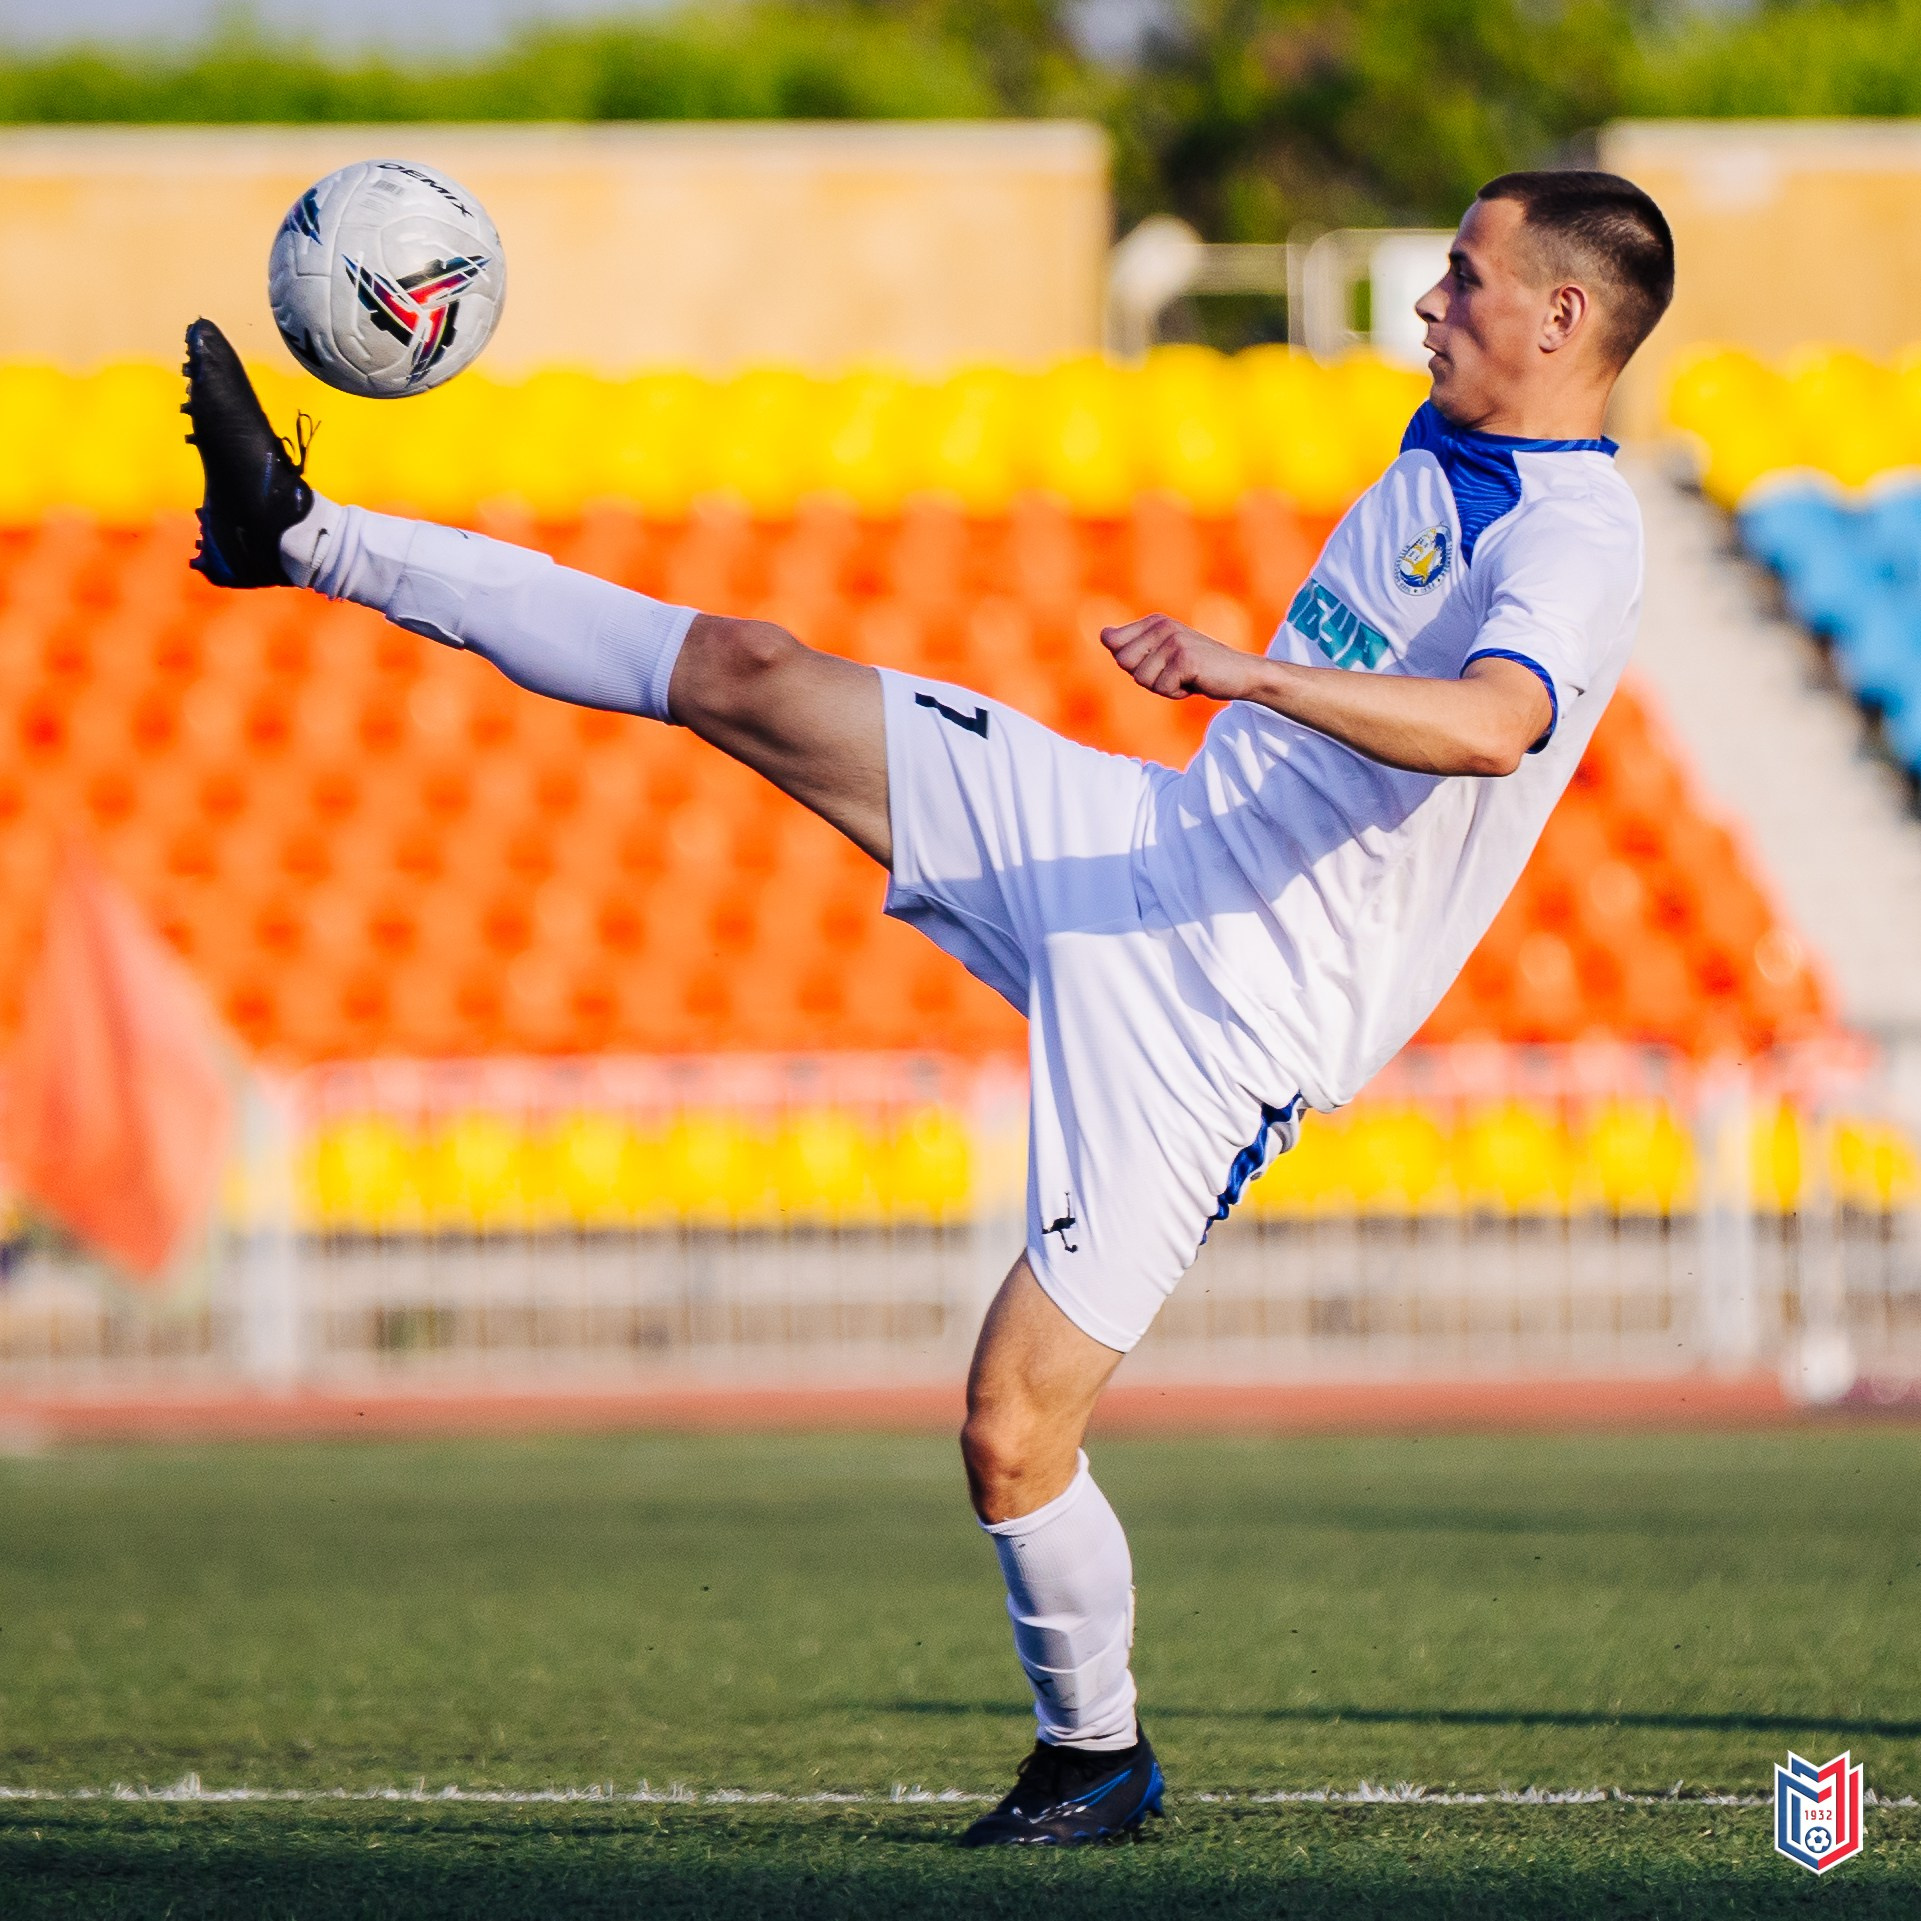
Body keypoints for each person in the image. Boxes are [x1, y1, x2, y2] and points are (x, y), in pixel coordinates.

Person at [180, 167, 1673, 1846]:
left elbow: (1493, 725)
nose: (1427, 301)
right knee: (745, 670)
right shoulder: (1457, 439)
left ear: (1563, 316)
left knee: (1010, 1430)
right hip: (1138, 836)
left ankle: (1093, 1753)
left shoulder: (1574, 532)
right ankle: (299, 536)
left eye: (1463, 277)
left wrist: (1247, 671)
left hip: (1228, 1013)